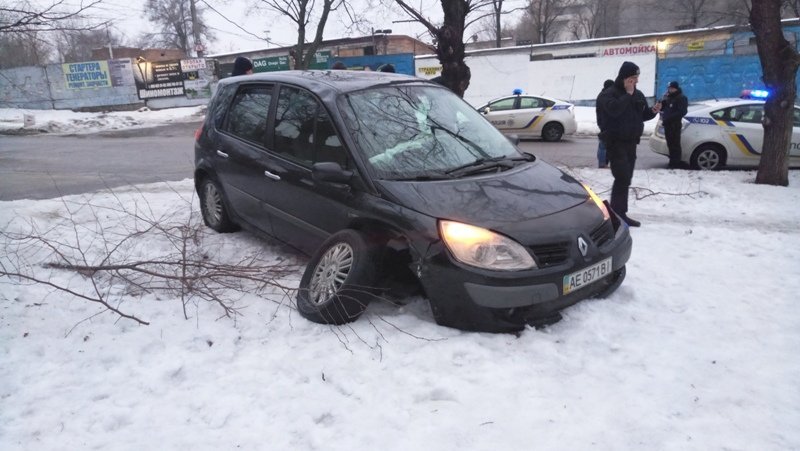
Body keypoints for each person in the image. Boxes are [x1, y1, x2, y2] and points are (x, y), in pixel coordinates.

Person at [597, 61, 661, 228]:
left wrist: (653, 111)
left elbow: (642, 114)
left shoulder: (637, 94)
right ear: (625, 78)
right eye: (633, 78)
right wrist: (627, 94)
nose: (636, 82)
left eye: (637, 78)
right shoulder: (608, 94)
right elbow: (614, 111)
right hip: (615, 141)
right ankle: (616, 215)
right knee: (622, 177)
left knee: (626, 179)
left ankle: (619, 213)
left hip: (631, 142)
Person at [660, 80, 689, 169]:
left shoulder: (681, 98)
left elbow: (682, 112)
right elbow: (663, 107)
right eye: (669, 88)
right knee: (670, 144)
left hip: (674, 125)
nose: (670, 90)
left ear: (676, 88)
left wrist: (668, 119)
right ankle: (672, 161)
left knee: (675, 145)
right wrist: (663, 99)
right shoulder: (669, 97)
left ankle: (675, 163)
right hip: (667, 124)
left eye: (671, 88)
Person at [595, 79, 614, 168]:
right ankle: (602, 164)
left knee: (603, 143)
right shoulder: (605, 96)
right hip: (605, 123)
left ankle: (603, 162)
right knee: (603, 144)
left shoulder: (602, 95)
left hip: (602, 122)